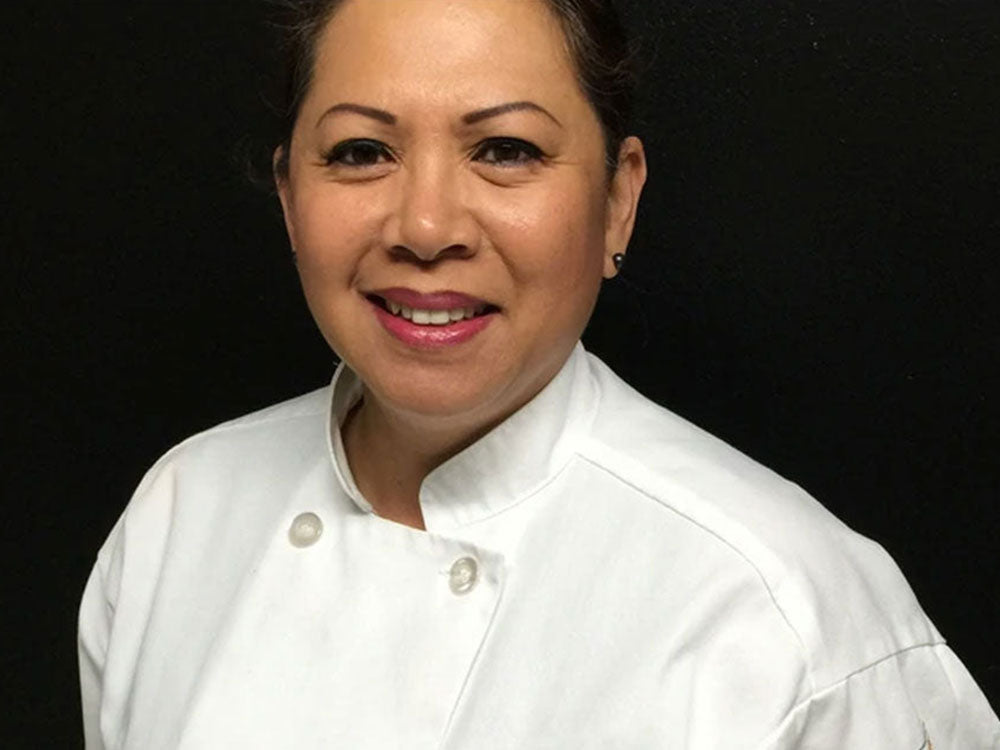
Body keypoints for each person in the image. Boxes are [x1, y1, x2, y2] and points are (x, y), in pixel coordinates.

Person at [78, 0, 999, 747]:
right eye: (362, 151)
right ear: (290, 198)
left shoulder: (786, 612)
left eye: (505, 150)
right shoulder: (180, 512)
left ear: (617, 201)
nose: (426, 226)